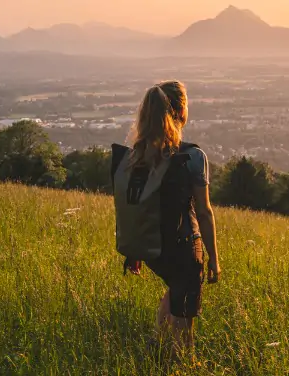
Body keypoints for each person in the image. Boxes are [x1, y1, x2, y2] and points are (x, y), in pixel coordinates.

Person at [122, 80, 221, 362]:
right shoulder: (192, 157)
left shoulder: (138, 154)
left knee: (174, 288)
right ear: (180, 110)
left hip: (154, 249)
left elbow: (134, 205)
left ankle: (155, 347)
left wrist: (135, 249)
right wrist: (213, 258)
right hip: (184, 247)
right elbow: (203, 212)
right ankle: (180, 363)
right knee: (185, 324)